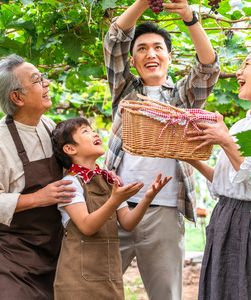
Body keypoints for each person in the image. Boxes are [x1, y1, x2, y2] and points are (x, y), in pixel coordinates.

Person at [103, 0, 220, 299]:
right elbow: (115, 40)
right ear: (133, 59)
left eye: (157, 47)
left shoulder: (181, 98)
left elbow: (208, 69)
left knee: (166, 295)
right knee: (97, 288)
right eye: (141, 48)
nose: (150, 53)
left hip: (165, 210)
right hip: (115, 206)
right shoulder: (125, 92)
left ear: (169, 56)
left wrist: (191, 19)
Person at [185, 50, 251, 299]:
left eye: (246, 64)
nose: (238, 71)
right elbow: (224, 182)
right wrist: (187, 157)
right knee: (223, 291)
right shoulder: (241, 124)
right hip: (225, 216)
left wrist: (224, 139)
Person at [0, 54, 76, 300]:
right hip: (11, 250)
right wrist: (38, 198)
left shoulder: (48, 125)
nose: (47, 83)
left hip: (49, 241)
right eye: (37, 80)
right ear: (17, 97)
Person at [50, 117, 172, 299]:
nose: (94, 133)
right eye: (85, 131)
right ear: (70, 149)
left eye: (92, 130)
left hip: (109, 278)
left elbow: (128, 222)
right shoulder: (70, 182)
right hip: (76, 282)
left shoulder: (108, 182)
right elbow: (86, 226)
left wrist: (147, 198)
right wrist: (114, 201)